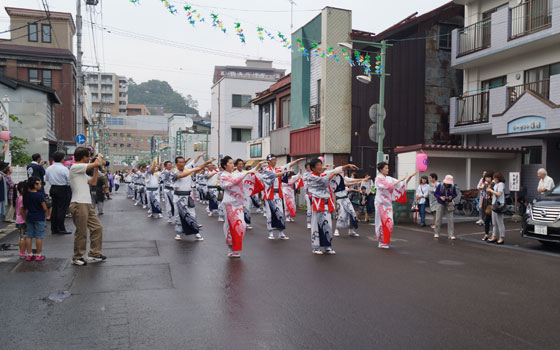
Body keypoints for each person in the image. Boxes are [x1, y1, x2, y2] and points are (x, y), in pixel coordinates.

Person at [307, 159, 354, 255]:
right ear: (313, 168)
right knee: (317, 225)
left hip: (326, 203)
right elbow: (323, 181)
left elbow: (335, 170)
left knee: (328, 225)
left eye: (321, 164)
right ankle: (316, 247)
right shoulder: (311, 177)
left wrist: (347, 166)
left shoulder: (324, 174)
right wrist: (332, 174)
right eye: (317, 165)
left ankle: (327, 246)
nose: (320, 167)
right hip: (318, 204)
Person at [219, 156, 263, 258]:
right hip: (229, 204)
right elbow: (229, 184)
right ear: (225, 165)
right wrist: (245, 174)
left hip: (238, 204)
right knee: (230, 226)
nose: (232, 165)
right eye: (229, 163)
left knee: (241, 226)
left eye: (232, 163)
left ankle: (234, 247)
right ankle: (231, 248)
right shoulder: (223, 176)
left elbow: (248, 176)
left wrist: (256, 168)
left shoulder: (236, 174)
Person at [69, 148, 107, 266]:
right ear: (84, 157)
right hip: (78, 203)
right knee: (81, 231)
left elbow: (93, 182)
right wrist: (98, 158)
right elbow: (97, 162)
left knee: (97, 228)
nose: (89, 158)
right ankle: (77, 257)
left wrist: (96, 168)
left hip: (86, 203)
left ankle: (94, 253)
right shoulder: (75, 167)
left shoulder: (82, 171)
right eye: (88, 156)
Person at [261, 154, 305, 240]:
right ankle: (271, 232)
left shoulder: (278, 169)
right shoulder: (265, 170)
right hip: (270, 194)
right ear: (269, 161)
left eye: (275, 159)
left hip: (278, 193)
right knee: (270, 214)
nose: (275, 161)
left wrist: (296, 161)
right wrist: (283, 172)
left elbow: (288, 165)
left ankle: (281, 232)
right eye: (273, 160)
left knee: (280, 212)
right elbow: (273, 176)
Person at [172, 155, 215, 242]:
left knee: (192, 214)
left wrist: (208, 162)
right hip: (178, 197)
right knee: (178, 216)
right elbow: (181, 176)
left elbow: (199, 166)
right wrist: (194, 170)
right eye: (180, 162)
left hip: (188, 196)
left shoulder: (187, 169)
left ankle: (196, 233)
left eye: (183, 162)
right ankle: (178, 233)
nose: (182, 164)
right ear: (176, 164)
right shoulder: (173, 171)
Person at [374, 162, 415, 248]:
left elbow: (401, 184)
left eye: (387, 168)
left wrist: (409, 178)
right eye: (385, 168)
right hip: (380, 204)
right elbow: (387, 186)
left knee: (390, 223)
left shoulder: (389, 178)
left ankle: (384, 241)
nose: (387, 169)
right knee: (381, 223)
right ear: (381, 169)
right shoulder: (378, 178)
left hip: (388, 204)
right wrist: (400, 180)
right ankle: (381, 242)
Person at [332, 168, 367, 237]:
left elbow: (353, 179)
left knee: (352, 213)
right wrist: (356, 182)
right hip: (339, 199)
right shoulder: (335, 180)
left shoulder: (344, 178)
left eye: (343, 172)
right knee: (342, 213)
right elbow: (345, 184)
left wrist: (362, 179)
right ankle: (337, 229)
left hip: (346, 198)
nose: (343, 173)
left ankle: (351, 230)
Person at [45, 151, 71, 235]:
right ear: (62, 159)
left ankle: (54, 228)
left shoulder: (49, 168)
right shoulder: (64, 169)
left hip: (53, 188)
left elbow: (47, 179)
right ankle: (61, 228)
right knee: (61, 209)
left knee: (54, 208)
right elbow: (68, 180)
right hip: (62, 188)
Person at [23, 176, 47, 261]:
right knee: (39, 236)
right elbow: (44, 207)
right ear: (35, 185)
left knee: (29, 236)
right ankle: (38, 254)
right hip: (39, 217)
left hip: (29, 216)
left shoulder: (26, 195)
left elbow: (24, 207)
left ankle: (29, 254)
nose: (41, 185)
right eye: (40, 183)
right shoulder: (39, 195)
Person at [434, 175, 458, 240]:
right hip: (440, 203)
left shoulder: (452, 186)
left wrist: (451, 197)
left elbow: (455, 194)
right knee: (438, 218)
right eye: (447, 182)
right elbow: (435, 193)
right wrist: (440, 197)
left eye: (449, 183)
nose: (448, 184)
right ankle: (436, 233)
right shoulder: (440, 185)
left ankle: (451, 235)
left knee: (450, 219)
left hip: (449, 203)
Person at [487, 172, 506, 244]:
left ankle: (501, 237)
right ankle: (494, 236)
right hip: (494, 204)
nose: (494, 179)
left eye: (495, 178)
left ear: (498, 178)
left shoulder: (501, 184)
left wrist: (491, 191)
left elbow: (499, 193)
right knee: (494, 222)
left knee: (500, 222)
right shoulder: (496, 184)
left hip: (499, 205)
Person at [480, 171, 494, 241]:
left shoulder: (494, 185)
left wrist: (490, 197)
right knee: (486, 220)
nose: (486, 179)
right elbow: (482, 194)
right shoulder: (485, 185)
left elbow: (496, 195)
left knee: (492, 221)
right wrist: (481, 203)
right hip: (485, 204)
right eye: (486, 177)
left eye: (488, 177)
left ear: (491, 178)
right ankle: (486, 234)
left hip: (491, 205)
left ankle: (493, 235)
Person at [16, 182, 27, 260]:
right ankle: (22, 253)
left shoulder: (19, 197)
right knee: (23, 237)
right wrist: (26, 218)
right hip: (22, 220)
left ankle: (21, 252)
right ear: (22, 189)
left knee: (21, 237)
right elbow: (21, 209)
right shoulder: (23, 198)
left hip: (18, 219)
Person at [302, 162, 313, 229]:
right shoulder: (305, 174)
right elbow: (307, 180)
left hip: (314, 194)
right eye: (308, 167)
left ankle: (314, 222)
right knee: (309, 208)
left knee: (314, 209)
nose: (310, 168)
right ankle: (308, 222)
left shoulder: (313, 173)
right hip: (308, 194)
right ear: (306, 168)